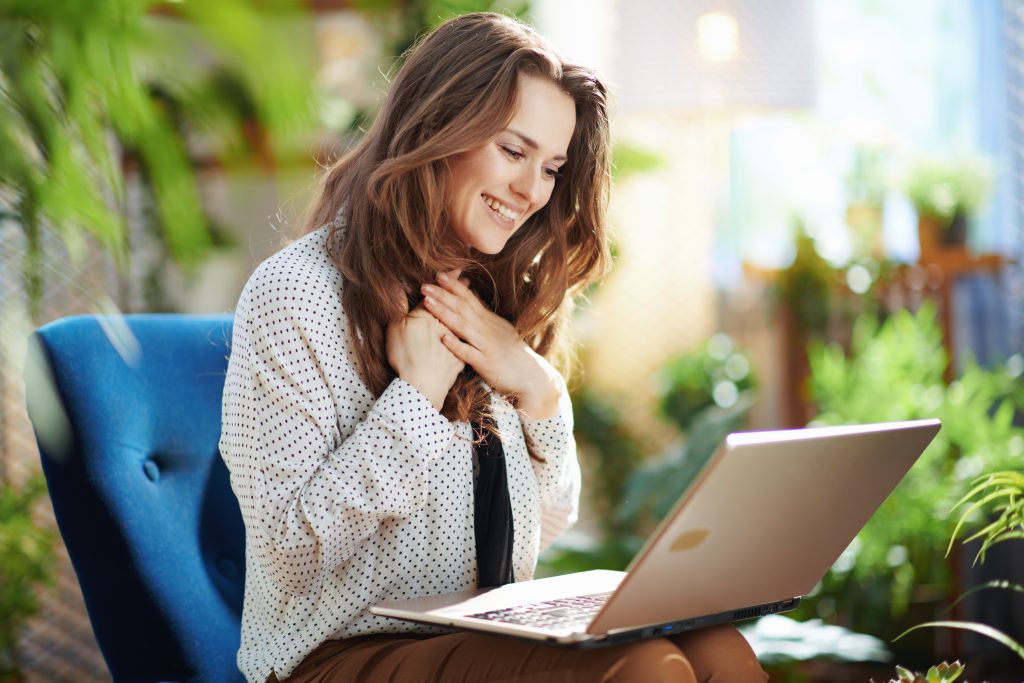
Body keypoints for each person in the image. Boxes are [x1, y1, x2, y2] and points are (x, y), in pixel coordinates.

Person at [220, 11, 768, 683]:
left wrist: (539, 388)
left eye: (551, 168)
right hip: (333, 654)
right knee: (646, 667)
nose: (531, 191)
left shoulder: (488, 290)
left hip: (479, 629)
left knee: (723, 652)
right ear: (437, 128)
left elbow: (546, 520)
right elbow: (286, 553)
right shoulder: (296, 293)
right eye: (514, 151)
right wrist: (415, 401)